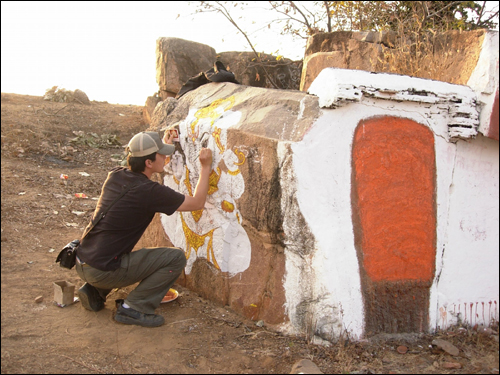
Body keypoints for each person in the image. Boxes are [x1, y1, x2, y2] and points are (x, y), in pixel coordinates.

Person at [75, 131, 212, 327]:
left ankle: (95, 290)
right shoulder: (149, 192)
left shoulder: (116, 175)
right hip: (101, 270)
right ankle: (133, 308)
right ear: (148, 163)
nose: (165, 158)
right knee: (175, 258)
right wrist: (205, 167)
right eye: (161, 155)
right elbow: (198, 202)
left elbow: (153, 165)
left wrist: (164, 144)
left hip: (83, 260)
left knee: (115, 250)